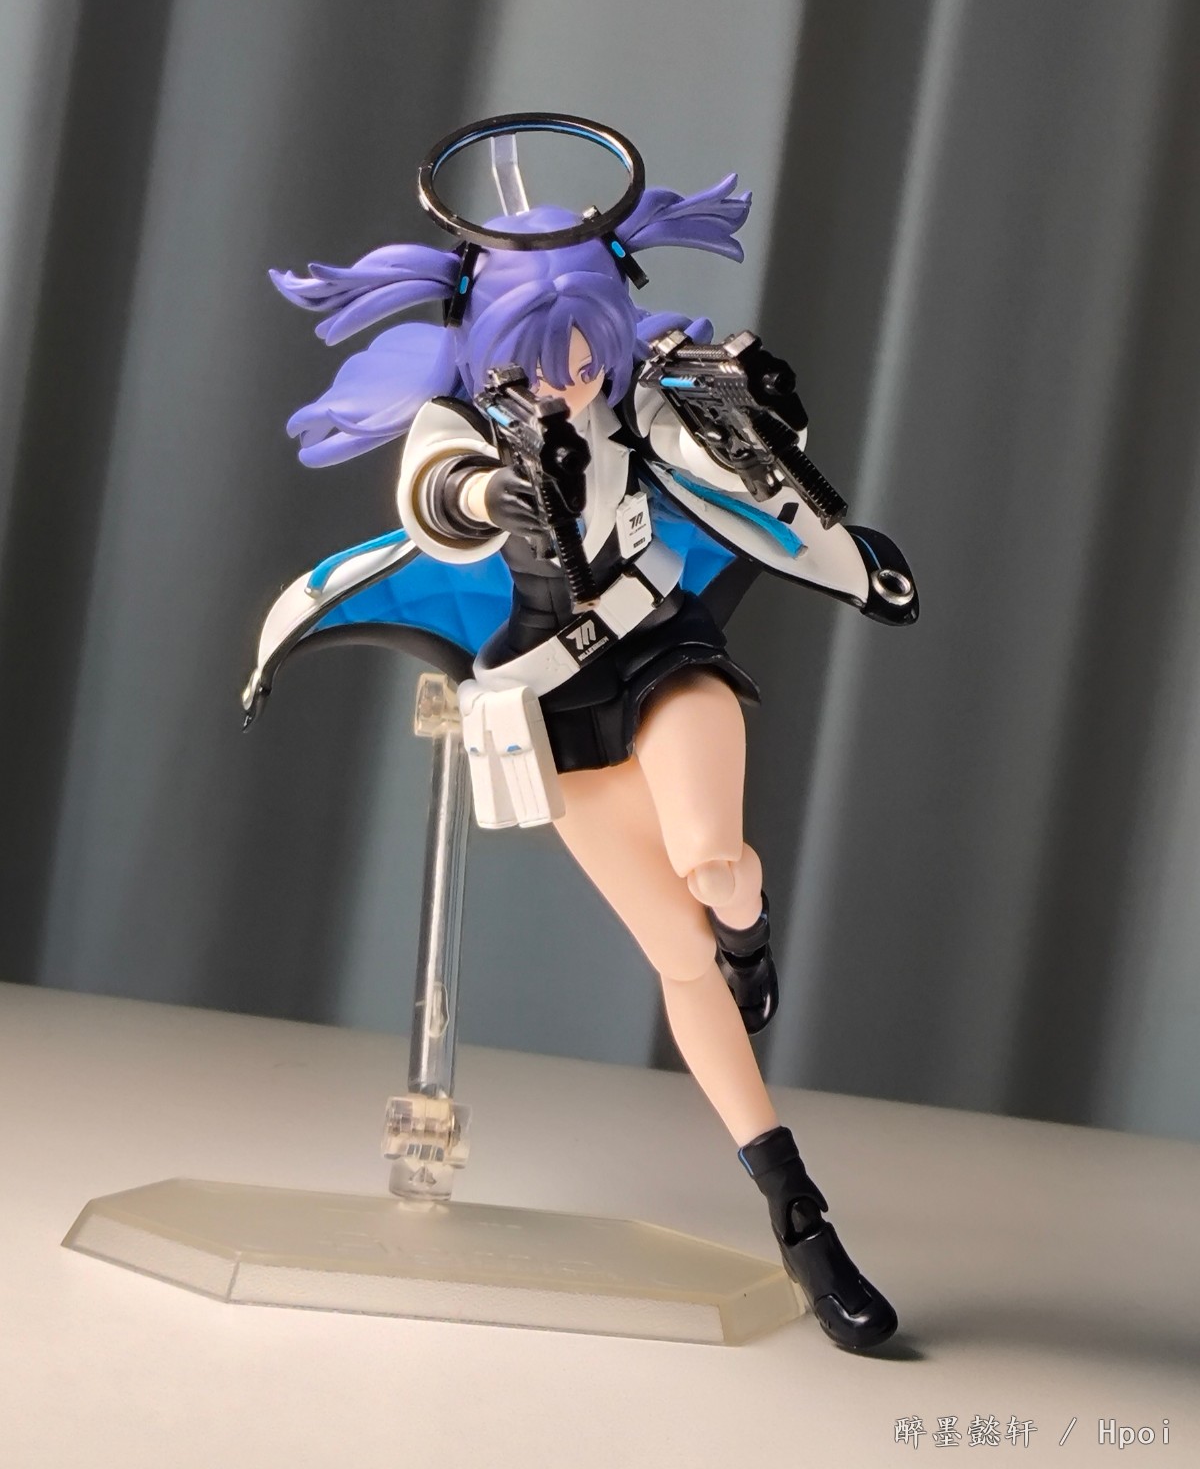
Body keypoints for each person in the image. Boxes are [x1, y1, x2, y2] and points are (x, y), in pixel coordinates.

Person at [252, 119, 917, 1350]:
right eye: (538, 355)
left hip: (664, 650)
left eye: (584, 349)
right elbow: (436, 497)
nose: (567, 375)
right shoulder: (462, 425)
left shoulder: (645, 396)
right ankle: (795, 1206)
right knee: (675, 952)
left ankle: (751, 927)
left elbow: (745, 469)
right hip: (553, 702)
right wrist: (494, 489)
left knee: (714, 861)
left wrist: (765, 413)